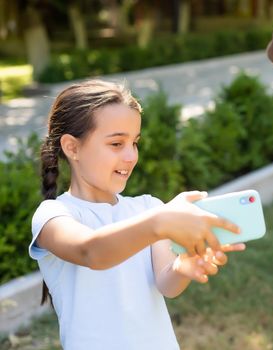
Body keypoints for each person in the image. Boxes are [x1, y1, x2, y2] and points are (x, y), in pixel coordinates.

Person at [28, 79, 245, 350]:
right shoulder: (53, 215)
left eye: (135, 142)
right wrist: (161, 222)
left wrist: (184, 267)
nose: (131, 156)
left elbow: (166, 284)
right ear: (72, 147)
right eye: (117, 144)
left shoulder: (147, 208)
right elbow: (91, 252)